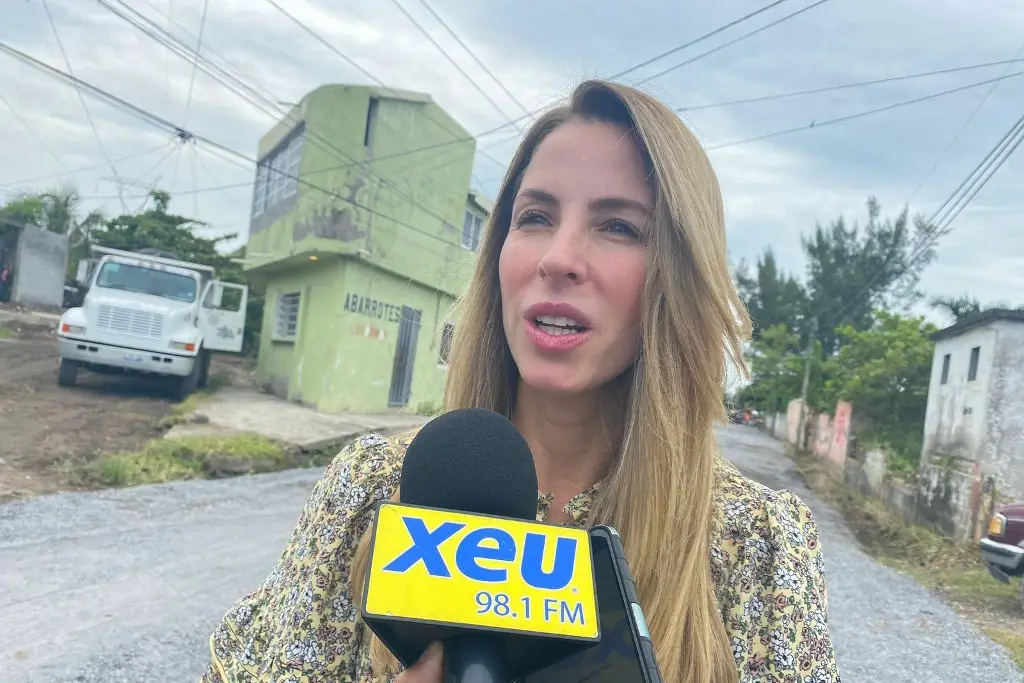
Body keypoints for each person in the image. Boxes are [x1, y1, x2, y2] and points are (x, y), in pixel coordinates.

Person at [200, 79, 840, 683]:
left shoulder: (758, 544)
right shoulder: (369, 489)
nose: (558, 257)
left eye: (618, 226)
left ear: (681, 276)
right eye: (534, 217)